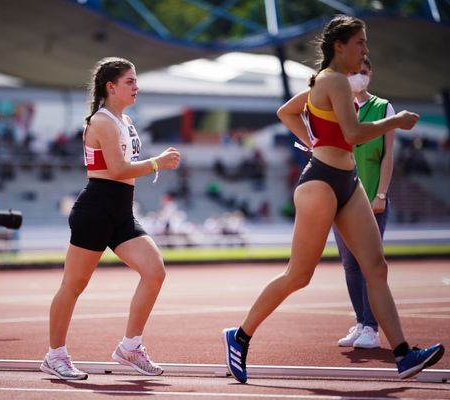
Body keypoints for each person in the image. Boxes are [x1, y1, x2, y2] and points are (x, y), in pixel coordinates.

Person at [222, 15, 444, 383]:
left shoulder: (326, 82)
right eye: (360, 43)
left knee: (376, 267)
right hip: (320, 183)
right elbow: (355, 133)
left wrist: (313, 141)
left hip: (348, 180)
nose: (366, 50)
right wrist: (395, 121)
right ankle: (240, 336)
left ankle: (404, 354)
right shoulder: (331, 80)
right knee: (299, 275)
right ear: (339, 46)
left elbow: (288, 112)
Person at [40, 57, 180, 380]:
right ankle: (55, 355)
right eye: (130, 81)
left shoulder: (125, 120)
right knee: (73, 286)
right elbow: (116, 170)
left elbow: (124, 169)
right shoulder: (101, 122)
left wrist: (152, 164)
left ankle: (130, 346)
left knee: (154, 270)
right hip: (95, 211)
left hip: (121, 213)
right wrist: (156, 163)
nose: (136, 87)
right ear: (111, 87)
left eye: (136, 81)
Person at [335, 57, 395, 349]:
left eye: (363, 72)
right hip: (341, 199)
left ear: (371, 74)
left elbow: (387, 155)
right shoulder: (339, 109)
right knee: (349, 265)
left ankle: (372, 328)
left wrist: (381, 194)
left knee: (370, 264)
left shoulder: (384, 108)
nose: (358, 77)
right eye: (352, 73)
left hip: (372, 198)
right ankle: (361, 323)